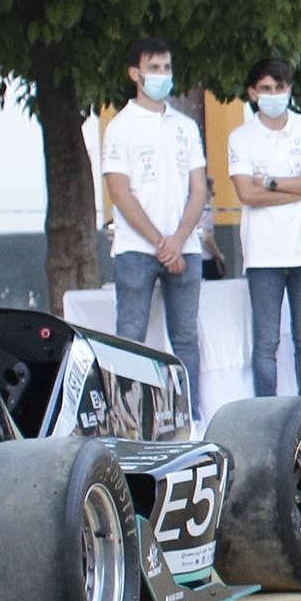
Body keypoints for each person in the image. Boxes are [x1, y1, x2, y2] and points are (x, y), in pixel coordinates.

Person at [101, 37, 208, 423]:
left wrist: (179, 239)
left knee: (185, 339)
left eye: (166, 68)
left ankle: (188, 417)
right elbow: (120, 191)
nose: (162, 76)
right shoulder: (119, 127)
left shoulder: (184, 126)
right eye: (154, 68)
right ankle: (129, 419)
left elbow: (199, 187)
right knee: (130, 337)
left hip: (186, 247)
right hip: (135, 249)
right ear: (135, 73)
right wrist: (160, 242)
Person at [227, 58, 301, 400]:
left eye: (280, 88)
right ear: (253, 93)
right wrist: (299, 187)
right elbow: (246, 194)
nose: (274, 95)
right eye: (267, 89)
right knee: (266, 342)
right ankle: (266, 418)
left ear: (290, 90)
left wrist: (270, 183)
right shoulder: (241, 138)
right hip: (263, 254)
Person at [199, 177, 227, 280]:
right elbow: (206, 237)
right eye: (212, 192)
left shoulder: (188, 208)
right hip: (206, 261)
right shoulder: (205, 210)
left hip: (192, 259)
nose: (212, 195)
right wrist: (219, 256)